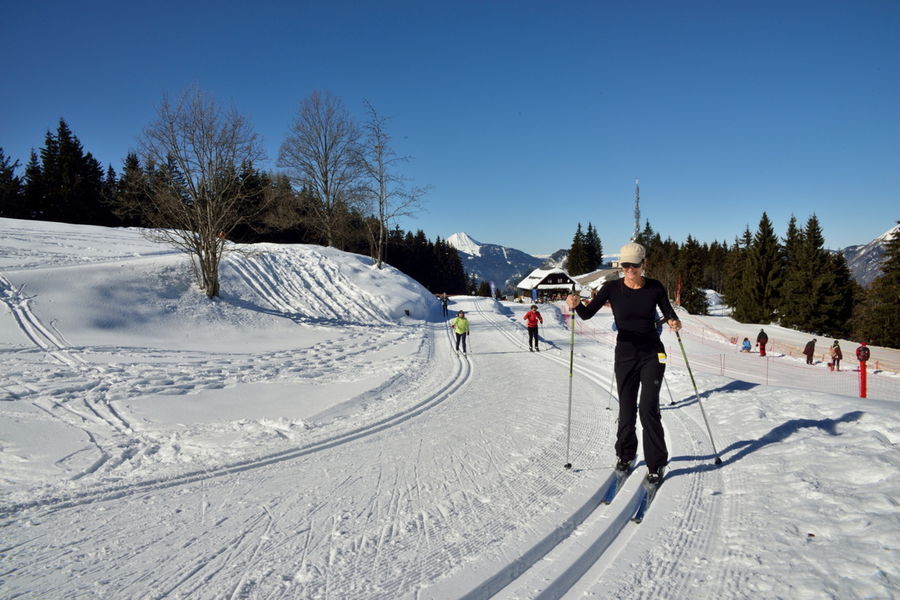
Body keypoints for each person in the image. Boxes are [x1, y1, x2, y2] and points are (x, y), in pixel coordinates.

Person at [566, 242, 680, 485]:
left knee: (648, 409)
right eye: (625, 265)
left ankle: (656, 463)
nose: (629, 270)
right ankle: (625, 455)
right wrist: (575, 305)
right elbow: (586, 314)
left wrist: (673, 321)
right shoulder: (611, 288)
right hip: (625, 355)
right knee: (626, 409)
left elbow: (669, 312)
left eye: (634, 265)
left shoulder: (655, 288)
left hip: (652, 354)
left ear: (643, 264)